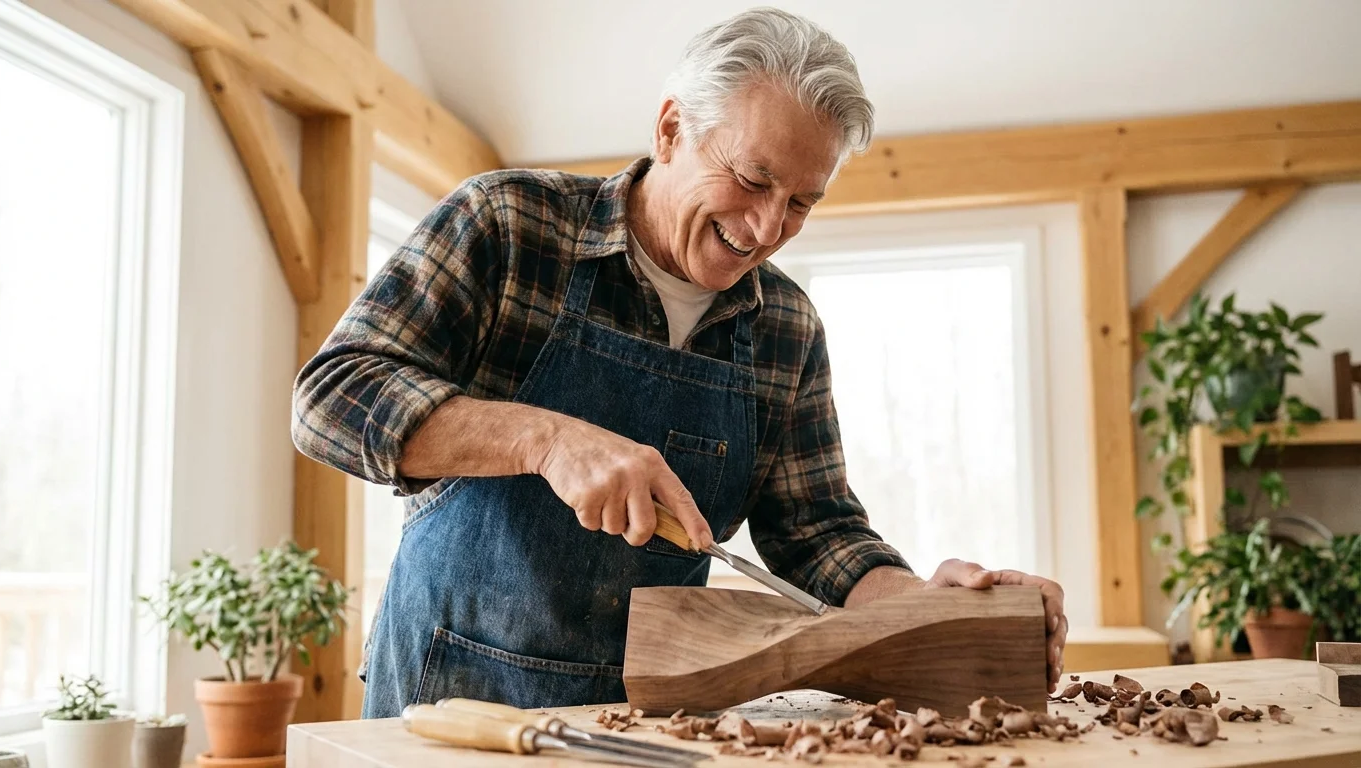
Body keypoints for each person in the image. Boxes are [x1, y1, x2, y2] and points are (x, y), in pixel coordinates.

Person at [292, 7, 1067, 718]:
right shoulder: (508, 224)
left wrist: (925, 606)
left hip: (655, 723)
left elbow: (815, 535)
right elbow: (331, 397)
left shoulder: (786, 326)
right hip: (451, 710)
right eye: (753, 179)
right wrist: (548, 441)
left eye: (802, 202)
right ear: (670, 131)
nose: (768, 227)